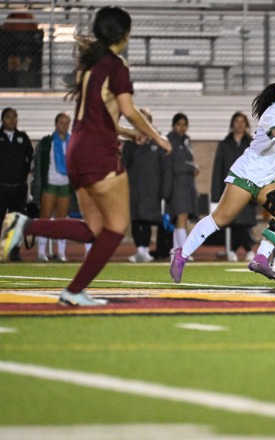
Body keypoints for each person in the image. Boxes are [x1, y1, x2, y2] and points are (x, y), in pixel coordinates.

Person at [0, 6, 172, 306]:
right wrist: (157, 136)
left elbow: (99, 116)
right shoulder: (117, 66)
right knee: (117, 227)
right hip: (98, 153)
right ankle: (74, 290)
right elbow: (128, 109)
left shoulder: (89, 66)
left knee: (94, 229)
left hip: (76, 150)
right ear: (125, 33)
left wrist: (129, 133)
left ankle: (23, 224)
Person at [169, 73, 275, 283]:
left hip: (265, 179)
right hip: (247, 174)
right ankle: (181, 254)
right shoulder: (274, 112)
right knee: (220, 219)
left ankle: (260, 258)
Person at [121, 108, 172, 263]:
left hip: (153, 189)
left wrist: (165, 190)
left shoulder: (158, 141)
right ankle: (140, 250)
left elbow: (165, 169)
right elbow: (123, 166)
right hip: (134, 188)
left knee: (148, 220)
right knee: (136, 219)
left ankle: (146, 250)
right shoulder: (130, 143)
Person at [211, 111, 256, 262]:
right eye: (237, 121)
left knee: (244, 222)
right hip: (229, 189)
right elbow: (218, 169)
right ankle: (233, 249)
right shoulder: (224, 145)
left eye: (243, 122)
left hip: (247, 188)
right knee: (231, 222)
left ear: (247, 125)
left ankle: (243, 249)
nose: (239, 125)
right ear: (232, 125)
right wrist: (216, 195)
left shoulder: (252, 144)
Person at [30, 112, 73, 262]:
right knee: (45, 219)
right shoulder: (47, 142)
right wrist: (36, 185)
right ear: (55, 124)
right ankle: (41, 252)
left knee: (62, 221)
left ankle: (61, 252)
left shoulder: (73, 142)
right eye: (61, 122)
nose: (64, 125)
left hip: (65, 185)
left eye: (66, 123)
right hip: (49, 184)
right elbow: (37, 164)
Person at [0, 107, 33, 262]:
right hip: (1, 187)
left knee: (16, 221)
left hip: (18, 187)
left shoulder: (23, 138)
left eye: (14, 116)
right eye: (8, 116)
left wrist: (24, 175)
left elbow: (30, 158)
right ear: (2, 119)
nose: (12, 120)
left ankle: (14, 252)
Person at [166, 113, 198, 252]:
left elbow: (187, 160)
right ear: (173, 125)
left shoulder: (186, 140)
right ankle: (184, 252)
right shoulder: (170, 140)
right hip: (176, 184)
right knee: (181, 216)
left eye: (184, 125)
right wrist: (190, 167)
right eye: (179, 124)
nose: (182, 128)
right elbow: (173, 165)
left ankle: (176, 249)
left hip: (187, 183)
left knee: (182, 218)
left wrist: (192, 168)